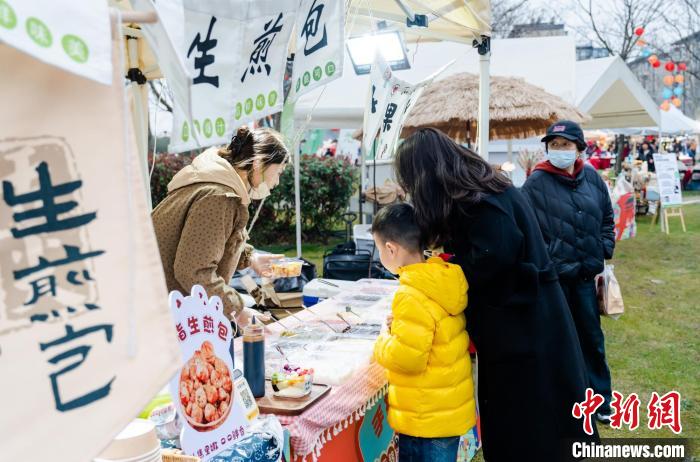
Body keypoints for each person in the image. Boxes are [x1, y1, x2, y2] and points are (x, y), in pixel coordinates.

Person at [394, 128, 594, 462]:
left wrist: (441, 274)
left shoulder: (482, 203)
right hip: (529, 324)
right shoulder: (484, 190)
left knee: (533, 428)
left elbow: (490, 265)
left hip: (525, 333)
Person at [522, 120, 615, 423]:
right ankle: (565, 402)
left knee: (591, 340)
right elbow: (526, 226)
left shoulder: (592, 177)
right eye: (554, 145)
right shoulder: (536, 182)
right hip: (556, 278)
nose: (559, 151)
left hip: (586, 276)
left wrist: (604, 246)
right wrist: (545, 260)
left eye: (565, 145)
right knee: (558, 341)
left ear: (578, 149)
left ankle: (599, 401)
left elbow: (606, 216)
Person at [152, 126, 288, 328]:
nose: (276, 182)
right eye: (278, 172)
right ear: (258, 164)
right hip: (161, 310)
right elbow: (194, 271)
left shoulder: (214, 183)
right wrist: (237, 309)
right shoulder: (219, 197)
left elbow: (206, 243)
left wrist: (251, 258)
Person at [372, 203, 476, 462]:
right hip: (444, 412)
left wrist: (383, 340)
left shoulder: (411, 295)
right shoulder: (441, 276)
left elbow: (407, 358)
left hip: (424, 420)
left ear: (391, 249)